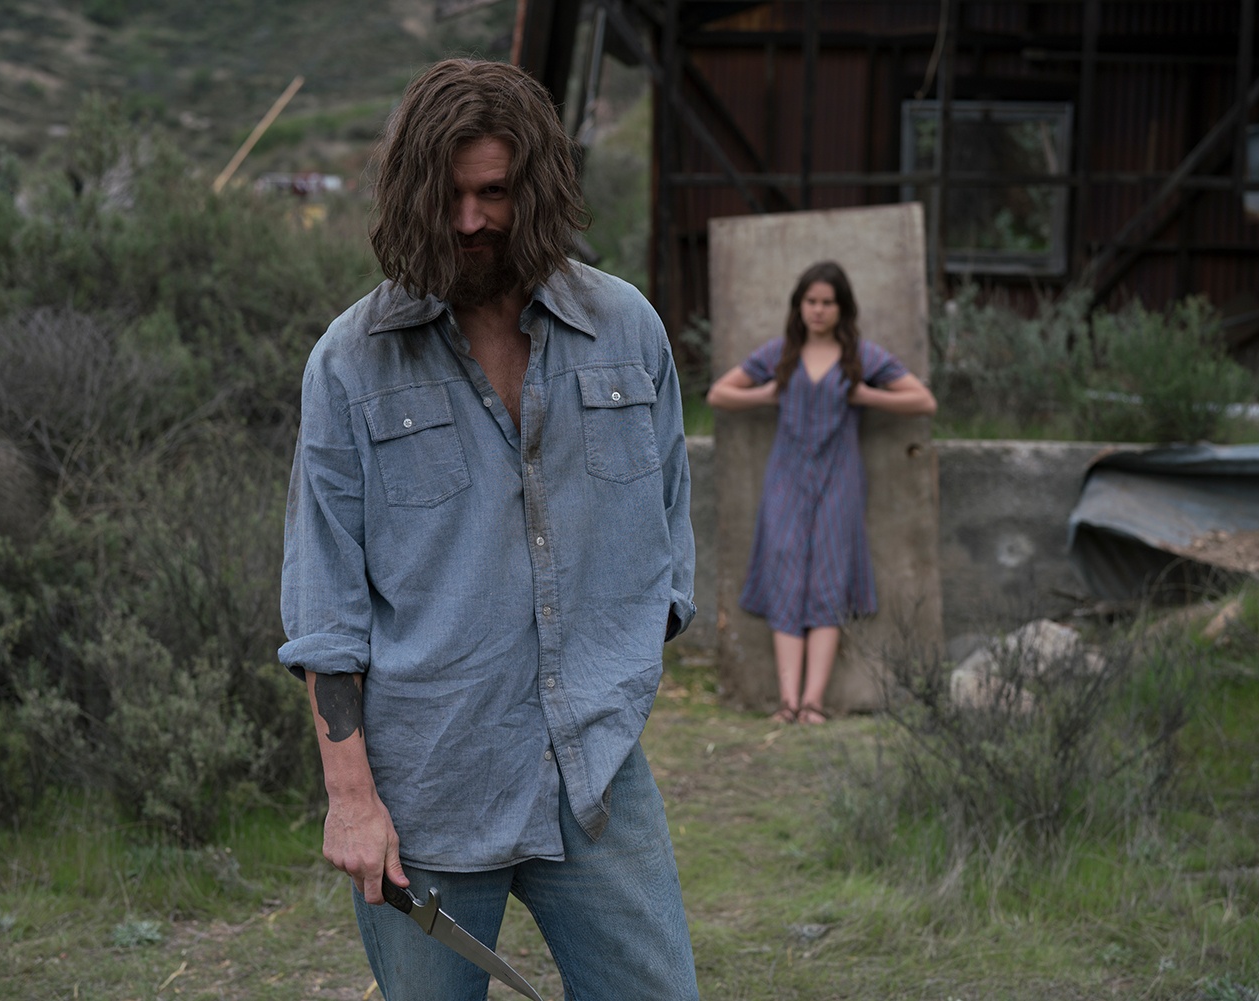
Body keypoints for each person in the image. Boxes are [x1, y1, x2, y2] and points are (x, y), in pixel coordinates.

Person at [278, 58, 699, 1001]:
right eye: (449, 197)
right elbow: (325, 606)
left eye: (494, 193)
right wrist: (352, 799)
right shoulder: (349, 364)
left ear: (536, 188)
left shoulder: (628, 330)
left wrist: (616, 673)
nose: (470, 221)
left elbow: (670, 536)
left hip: (596, 780)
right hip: (430, 793)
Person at [706, 261, 936, 725]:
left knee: (829, 582)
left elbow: (922, 400)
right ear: (799, 306)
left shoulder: (861, 356)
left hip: (840, 481)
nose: (818, 310)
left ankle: (813, 703)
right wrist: (766, 394)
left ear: (842, 308)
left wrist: (868, 396)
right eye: (810, 301)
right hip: (785, 480)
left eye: (827, 302)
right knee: (786, 579)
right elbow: (719, 394)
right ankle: (787, 702)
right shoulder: (780, 354)